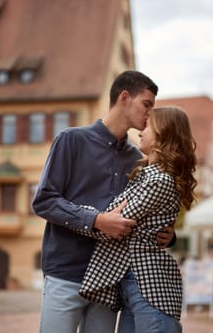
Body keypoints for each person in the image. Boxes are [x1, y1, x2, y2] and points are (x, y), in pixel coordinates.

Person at [32, 70, 176, 333]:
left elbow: (145, 212)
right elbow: (44, 201)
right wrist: (96, 221)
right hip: (65, 274)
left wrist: (169, 235)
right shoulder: (71, 140)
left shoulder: (138, 159)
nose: (150, 114)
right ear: (124, 97)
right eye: (147, 105)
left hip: (110, 282)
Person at [77, 106, 197, 333]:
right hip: (136, 287)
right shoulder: (147, 177)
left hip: (150, 289)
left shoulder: (158, 181)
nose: (141, 131)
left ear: (164, 133)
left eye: (149, 126)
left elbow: (113, 224)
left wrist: (75, 214)